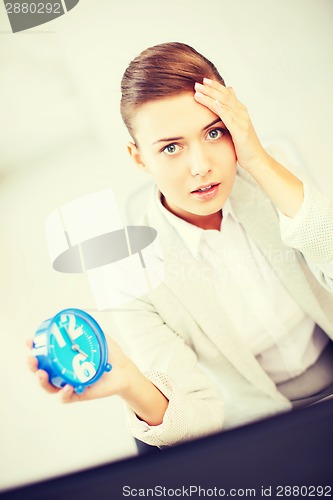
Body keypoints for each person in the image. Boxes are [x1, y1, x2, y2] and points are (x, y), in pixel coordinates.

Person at [28, 42, 333, 449]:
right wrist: (131, 384)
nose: (201, 165)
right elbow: (198, 419)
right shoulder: (129, 272)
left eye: (214, 132)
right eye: (171, 147)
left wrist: (257, 158)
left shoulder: (273, 180)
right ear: (139, 159)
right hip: (261, 432)